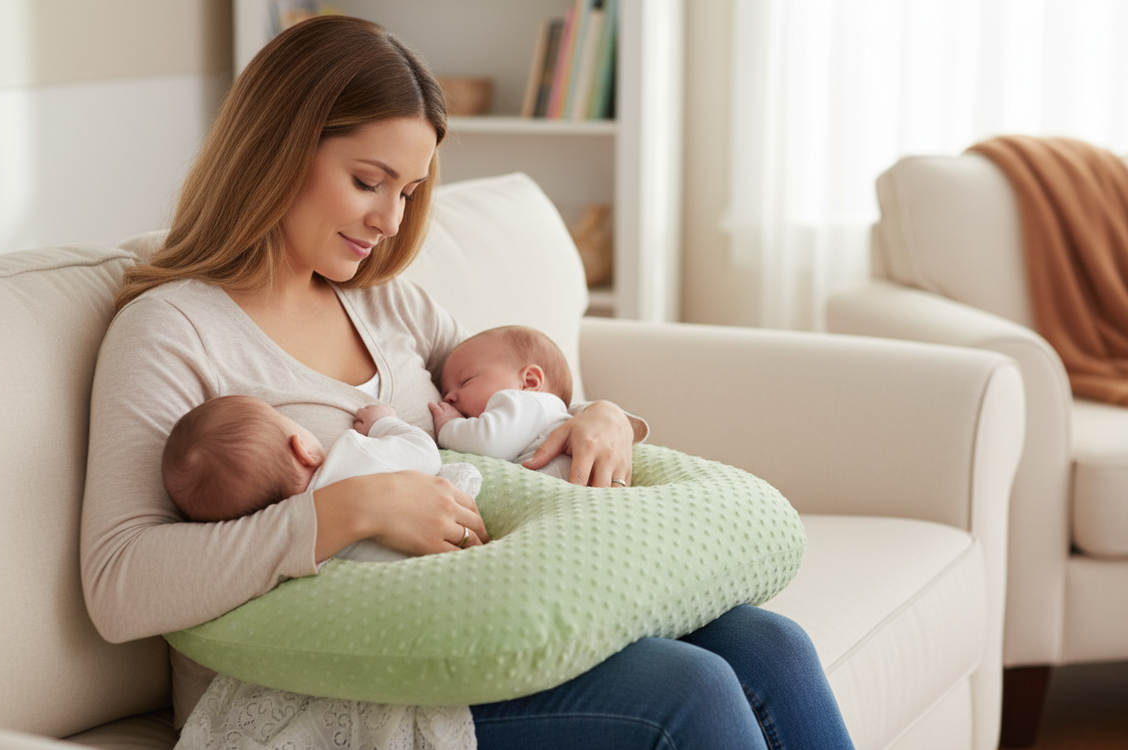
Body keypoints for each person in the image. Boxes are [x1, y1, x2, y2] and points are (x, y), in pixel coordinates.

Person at [78, 14, 854, 750]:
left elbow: (514, 402)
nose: (388, 219)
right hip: (320, 685)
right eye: (368, 180)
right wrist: (343, 511)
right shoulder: (172, 329)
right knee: (688, 693)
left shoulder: (390, 304)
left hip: (483, 616)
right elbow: (118, 584)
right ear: (278, 148)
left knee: (769, 645)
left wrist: (600, 414)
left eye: (408, 191)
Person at [162, 395, 482, 561]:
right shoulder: (352, 453)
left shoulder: (302, 547)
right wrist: (385, 423)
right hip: (453, 551)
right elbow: (425, 452)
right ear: (304, 451)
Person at [429, 325, 577, 481]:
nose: (448, 399)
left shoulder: (530, 402)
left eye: (466, 380)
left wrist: (448, 426)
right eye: (444, 393)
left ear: (529, 382)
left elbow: (486, 443)